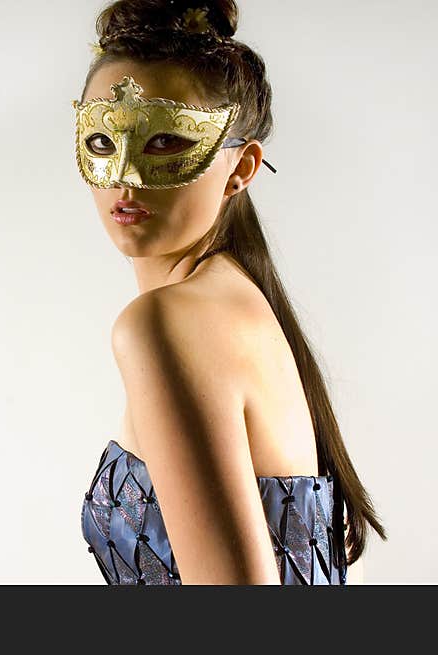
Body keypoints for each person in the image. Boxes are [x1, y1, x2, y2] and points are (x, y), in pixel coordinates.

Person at [76, 0, 387, 585]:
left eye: (166, 142)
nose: (125, 175)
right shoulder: (239, 304)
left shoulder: (165, 323)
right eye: (101, 140)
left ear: (242, 167)